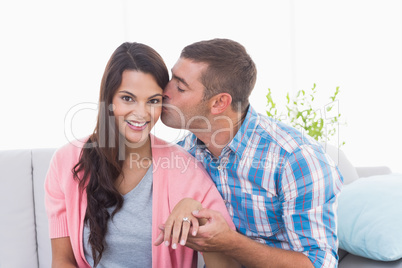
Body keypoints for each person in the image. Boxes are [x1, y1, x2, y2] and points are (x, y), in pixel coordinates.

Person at [44, 42, 240, 268]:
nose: (141, 113)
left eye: (153, 101)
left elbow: (228, 265)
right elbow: (62, 260)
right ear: (109, 99)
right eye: (127, 98)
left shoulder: (184, 168)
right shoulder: (66, 161)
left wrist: (197, 212)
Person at [159, 38, 344, 268]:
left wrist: (229, 243)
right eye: (171, 78)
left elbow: (318, 264)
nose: (164, 91)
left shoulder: (295, 159)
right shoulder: (183, 154)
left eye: (180, 86)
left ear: (219, 103)